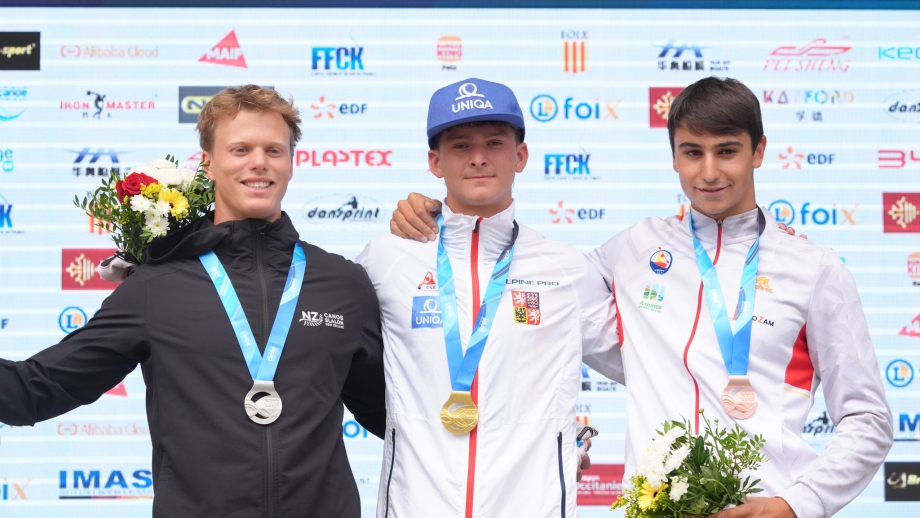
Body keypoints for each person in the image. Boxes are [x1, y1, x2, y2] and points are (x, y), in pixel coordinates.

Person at [391, 77, 893, 517]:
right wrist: (431, 215)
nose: (710, 172)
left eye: (728, 151)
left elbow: (867, 419)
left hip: (764, 505)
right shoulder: (632, 250)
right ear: (673, 155)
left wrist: (797, 504)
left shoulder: (816, 269)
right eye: (693, 152)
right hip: (651, 511)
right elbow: (505, 279)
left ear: (758, 151)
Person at [0, 85, 386, 517]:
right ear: (209, 164)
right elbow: (36, 390)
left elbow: (397, 417)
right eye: (240, 149)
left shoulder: (342, 283)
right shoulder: (156, 287)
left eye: (273, 150)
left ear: (291, 163)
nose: (259, 162)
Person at [356, 78, 622, 518]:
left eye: (494, 143)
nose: (478, 157)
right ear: (434, 161)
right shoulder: (387, 258)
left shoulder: (565, 269)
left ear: (520, 156)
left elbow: (656, 367)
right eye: (460, 145)